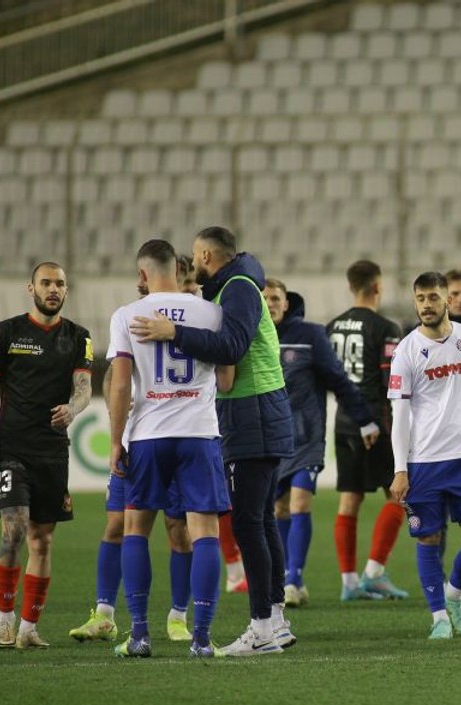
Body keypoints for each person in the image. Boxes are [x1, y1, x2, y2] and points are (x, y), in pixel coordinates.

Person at [130, 226, 295, 657]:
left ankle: (261, 626)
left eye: (194, 255)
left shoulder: (237, 286)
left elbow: (233, 347)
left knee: (247, 523)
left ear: (205, 254)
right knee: (260, 519)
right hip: (262, 408)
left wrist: (175, 334)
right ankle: (274, 620)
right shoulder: (237, 283)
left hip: (252, 410)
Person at [105, 240, 230, 658]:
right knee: (205, 533)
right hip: (199, 431)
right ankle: (201, 638)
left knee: (136, 529)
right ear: (178, 270)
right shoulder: (211, 312)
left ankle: (139, 635)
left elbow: (121, 384)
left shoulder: (127, 315)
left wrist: (116, 441)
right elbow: (227, 379)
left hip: (148, 434)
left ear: (143, 275)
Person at [69, 254, 200, 644]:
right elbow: (116, 377)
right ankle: (105, 613)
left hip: (175, 435)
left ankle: (177, 617)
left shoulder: (195, 317)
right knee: (118, 526)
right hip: (137, 439)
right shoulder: (133, 317)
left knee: (179, 531)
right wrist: (116, 413)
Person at [0, 261, 93, 649]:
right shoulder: (6, 332)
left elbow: (83, 388)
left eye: (60, 283)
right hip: (11, 449)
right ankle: (4, 620)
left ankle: (28, 628)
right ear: (31, 288)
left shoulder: (78, 337)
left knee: (42, 540)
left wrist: (73, 410)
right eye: (46, 282)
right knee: (14, 531)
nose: (53, 289)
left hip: (53, 452)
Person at [387, 271, 461, 640]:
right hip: (424, 462)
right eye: (420, 299)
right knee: (428, 540)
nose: (426, 305)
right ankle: (438, 617)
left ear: (447, 300)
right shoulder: (406, 350)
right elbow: (399, 415)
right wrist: (400, 469)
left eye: (433, 298)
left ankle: (454, 596)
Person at [264, 278, 382, 607]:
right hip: (269, 439)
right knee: (278, 508)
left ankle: (293, 579)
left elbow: (338, 380)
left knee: (300, 503)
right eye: (264, 298)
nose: (270, 303)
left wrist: (364, 420)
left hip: (306, 437)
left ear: (287, 303)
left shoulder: (309, 336)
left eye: (275, 298)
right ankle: (287, 577)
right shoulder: (250, 336)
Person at [325, 260, 410, 601]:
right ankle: (373, 573)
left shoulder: (331, 326)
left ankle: (348, 582)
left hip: (344, 421)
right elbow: (392, 378)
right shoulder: (386, 327)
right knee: (398, 494)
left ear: (350, 286)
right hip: (377, 422)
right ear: (378, 287)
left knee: (349, 500)